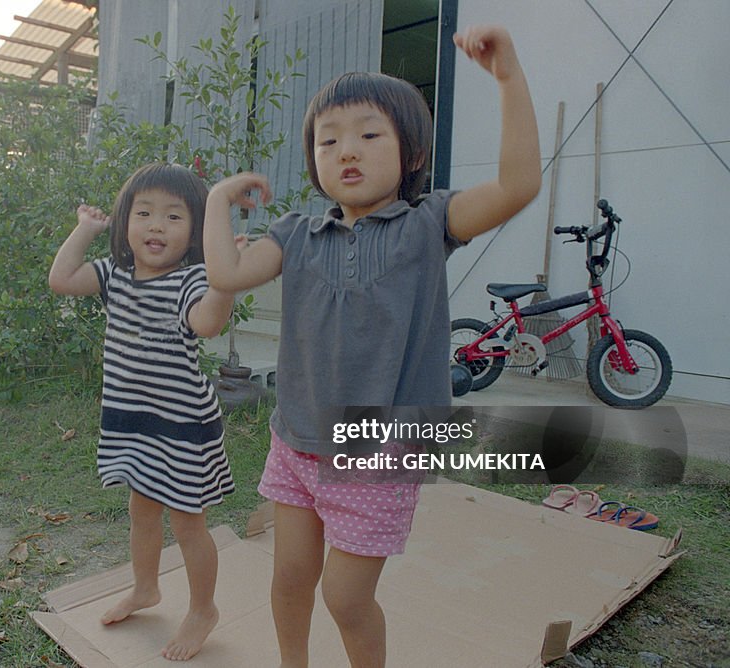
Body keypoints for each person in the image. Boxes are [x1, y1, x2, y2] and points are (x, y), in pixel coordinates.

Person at [202, 26, 540, 668]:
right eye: (328, 140)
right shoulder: (295, 234)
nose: (346, 151)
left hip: (378, 452)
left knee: (347, 598)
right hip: (296, 442)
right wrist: (217, 199)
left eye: (368, 134)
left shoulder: (427, 224)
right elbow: (226, 276)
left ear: (411, 153)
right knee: (289, 580)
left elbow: (518, 186)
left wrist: (507, 78)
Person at [48, 163, 237, 661]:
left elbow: (209, 323)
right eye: (145, 213)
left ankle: (203, 609)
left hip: (181, 427)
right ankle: (146, 587)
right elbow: (62, 279)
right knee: (141, 512)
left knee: (188, 523)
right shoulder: (115, 275)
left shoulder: (191, 281)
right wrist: (85, 229)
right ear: (125, 222)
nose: (156, 225)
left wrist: (225, 277)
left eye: (174, 217)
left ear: (196, 231)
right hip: (132, 423)